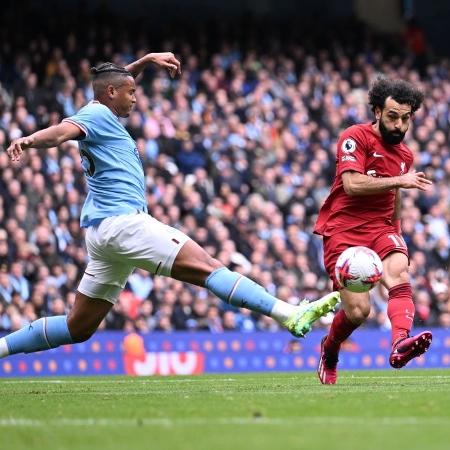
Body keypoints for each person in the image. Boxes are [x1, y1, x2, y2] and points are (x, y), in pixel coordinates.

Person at [1, 52, 340, 359]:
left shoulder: (102, 110)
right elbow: (62, 132)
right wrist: (30, 140)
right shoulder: (95, 116)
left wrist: (146, 62)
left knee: (79, 327)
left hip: (103, 234)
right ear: (111, 94)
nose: (136, 97)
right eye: (130, 92)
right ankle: (287, 313)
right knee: (209, 268)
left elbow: (117, 79)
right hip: (124, 224)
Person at [314, 76, 433, 385]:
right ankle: (329, 349)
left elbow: (395, 198)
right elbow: (352, 184)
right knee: (358, 312)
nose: (399, 125)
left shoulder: (405, 155)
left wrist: (398, 233)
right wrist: (399, 181)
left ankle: (399, 343)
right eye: (393, 116)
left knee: (399, 272)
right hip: (343, 230)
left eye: (406, 118)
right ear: (378, 111)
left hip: (381, 228)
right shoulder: (355, 136)